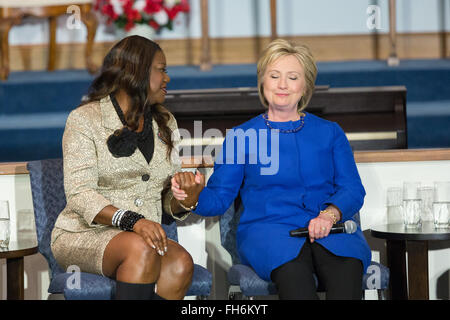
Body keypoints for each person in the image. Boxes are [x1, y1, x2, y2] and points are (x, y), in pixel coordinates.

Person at [171, 39, 372, 300]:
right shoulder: (242, 136)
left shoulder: (330, 132)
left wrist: (330, 214)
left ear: (305, 85)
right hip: (270, 235)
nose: (282, 85)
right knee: (296, 281)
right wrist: (194, 194)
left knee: (346, 275)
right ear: (262, 81)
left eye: (292, 77)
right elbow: (219, 199)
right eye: (274, 76)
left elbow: (352, 189)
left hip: (331, 232)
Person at [50, 35, 195, 300]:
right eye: (161, 69)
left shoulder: (166, 122)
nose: (167, 78)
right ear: (136, 72)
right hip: (85, 233)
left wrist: (186, 199)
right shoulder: (84, 120)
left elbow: (165, 202)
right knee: (140, 249)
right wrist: (132, 221)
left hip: (142, 236)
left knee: (181, 262)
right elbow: (80, 194)